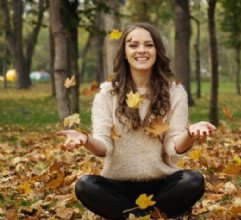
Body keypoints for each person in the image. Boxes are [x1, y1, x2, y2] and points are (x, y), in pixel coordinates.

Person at [57, 23, 216, 220]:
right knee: (85, 185)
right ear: (124, 52)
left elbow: (174, 146)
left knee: (193, 180)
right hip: (118, 187)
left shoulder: (175, 92)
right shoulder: (107, 94)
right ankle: (152, 217)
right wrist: (85, 139)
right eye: (133, 45)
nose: (141, 50)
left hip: (162, 186)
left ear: (157, 50)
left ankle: (135, 217)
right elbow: (103, 145)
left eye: (148, 45)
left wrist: (190, 133)